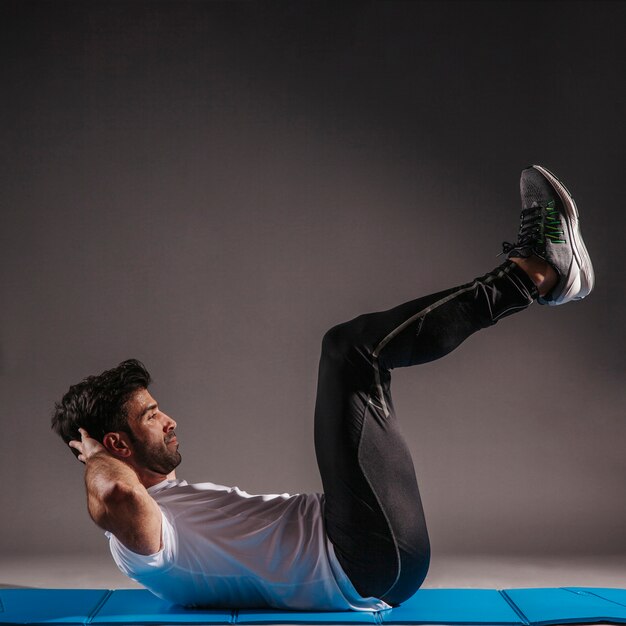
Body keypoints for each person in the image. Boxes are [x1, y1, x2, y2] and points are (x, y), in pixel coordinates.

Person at [52, 165, 594, 612]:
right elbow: (115, 494)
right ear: (116, 445)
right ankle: (536, 273)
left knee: (360, 359)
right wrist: (94, 456)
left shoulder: (172, 502)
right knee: (350, 351)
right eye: (149, 416)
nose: (169, 419)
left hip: (367, 549)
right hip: (361, 558)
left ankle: (534, 276)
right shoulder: (138, 541)